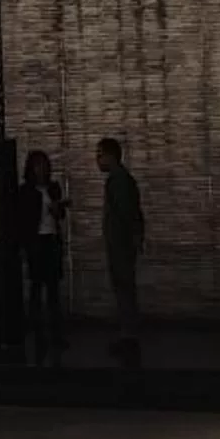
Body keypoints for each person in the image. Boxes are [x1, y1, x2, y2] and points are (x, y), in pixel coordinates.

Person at [97, 136, 146, 359]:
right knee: (124, 288)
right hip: (120, 242)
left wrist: (131, 236)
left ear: (111, 156)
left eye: (100, 155)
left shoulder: (119, 181)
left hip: (121, 244)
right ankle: (128, 333)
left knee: (124, 288)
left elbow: (127, 213)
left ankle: (129, 335)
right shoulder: (120, 180)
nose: (97, 160)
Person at [17, 149, 67, 363]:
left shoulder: (53, 188)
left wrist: (58, 209)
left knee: (54, 289)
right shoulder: (26, 191)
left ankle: (56, 334)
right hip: (36, 241)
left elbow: (59, 216)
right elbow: (23, 219)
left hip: (51, 239)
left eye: (44, 165)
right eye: (37, 165)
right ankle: (37, 333)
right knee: (37, 288)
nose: (42, 169)